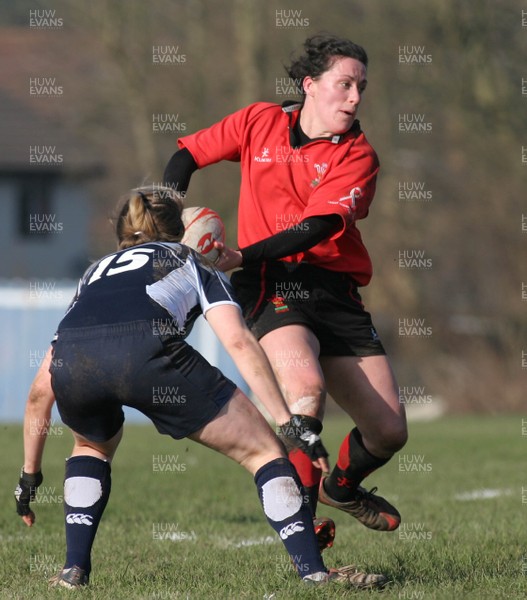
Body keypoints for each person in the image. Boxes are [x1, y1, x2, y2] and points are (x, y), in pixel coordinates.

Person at [14, 185, 387, 591]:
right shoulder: (190, 261)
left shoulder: (93, 274)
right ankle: (315, 575)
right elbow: (240, 342)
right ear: (182, 229)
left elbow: (38, 393)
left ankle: (72, 572)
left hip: (76, 366)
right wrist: (288, 421)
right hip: (148, 354)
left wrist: (29, 476)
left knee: (90, 447)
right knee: (264, 452)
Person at [163, 34, 408, 551]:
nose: (355, 97)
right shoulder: (259, 120)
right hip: (271, 284)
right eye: (344, 84)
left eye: (361, 87)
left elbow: (315, 229)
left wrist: (240, 254)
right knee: (306, 391)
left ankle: (341, 486)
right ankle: (303, 526)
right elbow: (186, 156)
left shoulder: (359, 155)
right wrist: (168, 214)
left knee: (388, 431)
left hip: (334, 290)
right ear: (310, 85)